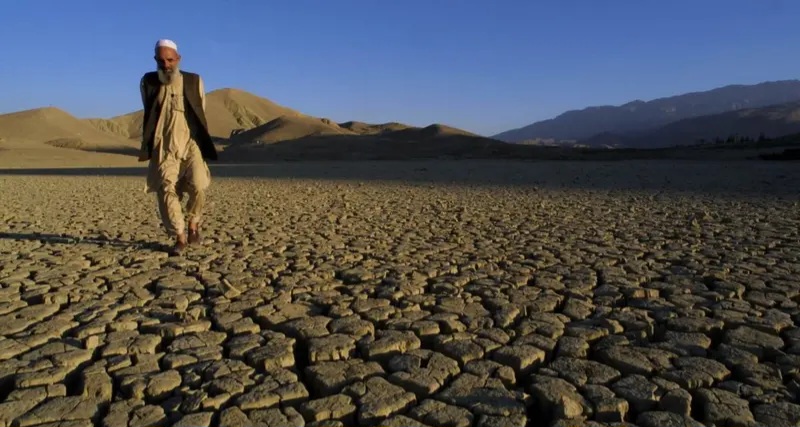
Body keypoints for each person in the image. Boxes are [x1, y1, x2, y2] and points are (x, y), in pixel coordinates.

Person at [138, 39, 218, 255]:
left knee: (199, 185)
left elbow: (201, 111)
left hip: (190, 142)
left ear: (178, 59)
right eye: (161, 61)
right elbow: (149, 111)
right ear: (156, 60)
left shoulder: (194, 81)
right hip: (164, 145)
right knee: (166, 189)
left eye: (170, 60)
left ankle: (194, 223)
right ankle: (180, 236)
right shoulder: (148, 82)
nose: (166, 65)